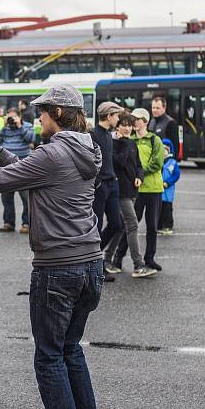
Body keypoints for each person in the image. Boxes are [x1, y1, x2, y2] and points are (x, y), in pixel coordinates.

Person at [0, 84, 103, 409]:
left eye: (41, 112)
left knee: (49, 358)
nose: (37, 118)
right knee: (71, 348)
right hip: (91, 264)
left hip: (58, 269)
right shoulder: (87, 148)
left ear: (56, 113)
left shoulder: (52, 153)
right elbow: (32, 171)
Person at [104, 114, 156, 278]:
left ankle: (107, 259)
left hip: (133, 191)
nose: (127, 128)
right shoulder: (114, 143)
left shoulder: (131, 143)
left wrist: (139, 177)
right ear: (116, 126)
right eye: (123, 125)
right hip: (120, 191)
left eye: (129, 125)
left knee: (120, 226)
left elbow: (138, 165)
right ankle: (138, 265)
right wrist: (125, 143)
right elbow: (118, 162)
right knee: (132, 224)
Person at [115, 108, 165, 272]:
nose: (133, 123)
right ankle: (118, 258)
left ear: (144, 121)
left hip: (153, 188)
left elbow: (157, 162)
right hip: (135, 190)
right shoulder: (130, 139)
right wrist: (135, 174)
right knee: (129, 225)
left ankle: (149, 259)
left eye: (136, 119)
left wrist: (140, 173)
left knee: (152, 226)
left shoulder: (154, 139)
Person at [89, 101, 124, 281]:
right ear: (109, 116)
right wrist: (98, 182)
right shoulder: (93, 134)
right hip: (101, 186)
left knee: (116, 224)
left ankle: (91, 257)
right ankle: (97, 265)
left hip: (112, 184)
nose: (118, 119)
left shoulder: (109, 135)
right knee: (97, 224)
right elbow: (88, 161)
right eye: (116, 116)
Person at [0, 107, 34, 233]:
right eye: (9, 117)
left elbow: (31, 139)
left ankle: (26, 223)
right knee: (6, 197)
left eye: (13, 117)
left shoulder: (27, 125)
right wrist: (5, 126)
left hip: (23, 165)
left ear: (19, 117)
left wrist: (20, 126)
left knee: (26, 197)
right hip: (6, 166)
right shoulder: (6, 128)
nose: (11, 119)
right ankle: (8, 223)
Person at [158, 139, 181, 235]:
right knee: (158, 209)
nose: (163, 152)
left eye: (165, 149)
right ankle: (158, 225)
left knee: (167, 209)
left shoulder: (172, 162)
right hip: (158, 189)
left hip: (168, 191)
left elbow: (176, 175)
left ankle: (168, 226)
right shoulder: (158, 161)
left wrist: (168, 182)